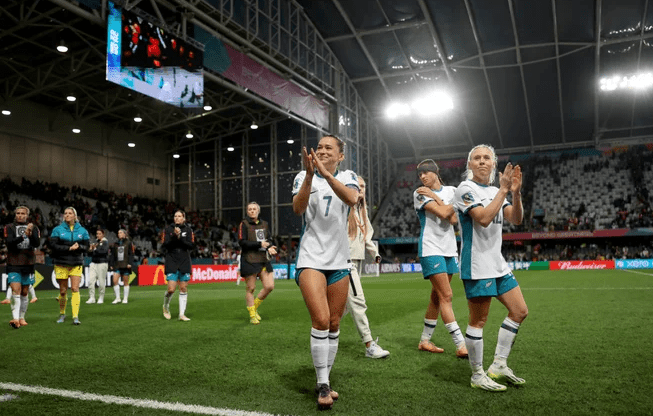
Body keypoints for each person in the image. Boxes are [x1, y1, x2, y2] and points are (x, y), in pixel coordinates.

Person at [292, 135, 359, 410]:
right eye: (319, 147)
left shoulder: (348, 176)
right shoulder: (302, 176)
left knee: (333, 323)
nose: (321, 151)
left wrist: (326, 174)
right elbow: (298, 209)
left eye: (328, 148)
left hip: (339, 261)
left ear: (340, 156)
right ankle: (322, 384)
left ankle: (326, 381)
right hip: (311, 259)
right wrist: (310, 176)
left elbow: (352, 198)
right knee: (320, 320)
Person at [453, 144, 527, 392]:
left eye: (487, 158)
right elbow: (483, 219)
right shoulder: (465, 189)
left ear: (494, 163)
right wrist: (504, 190)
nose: (482, 161)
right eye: (477, 158)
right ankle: (477, 375)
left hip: (497, 263)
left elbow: (516, 219)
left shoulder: (496, 191)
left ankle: (499, 365)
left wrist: (515, 193)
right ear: (469, 164)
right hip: (476, 264)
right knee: (479, 320)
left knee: (519, 311)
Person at [413, 159, 468, 358]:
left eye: (425, 172)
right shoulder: (420, 193)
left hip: (449, 250)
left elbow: (452, 219)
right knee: (446, 295)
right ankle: (461, 344)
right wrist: (447, 204)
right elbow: (445, 212)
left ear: (435, 172)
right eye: (419, 174)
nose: (422, 177)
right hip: (430, 248)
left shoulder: (451, 191)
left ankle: (424, 341)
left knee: (436, 297)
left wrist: (436, 197)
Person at [343, 176, 389, 358]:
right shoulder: (344, 208)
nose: (361, 189)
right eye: (358, 186)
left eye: (363, 186)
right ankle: (369, 344)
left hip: (357, 260)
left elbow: (366, 236)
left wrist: (375, 253)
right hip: (345, 261)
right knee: (357, 301)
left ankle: (325, 334)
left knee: (344, 307)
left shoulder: (361, 211)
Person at [238, 202, 277, 324]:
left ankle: (254, 307)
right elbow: (242, 242)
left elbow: (268, 239)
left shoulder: (264, 224)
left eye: (254, 209)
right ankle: (252, 315)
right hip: (249, 259)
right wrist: (259, 244)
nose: (252, 211)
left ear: (258, 211)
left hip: (263, 259)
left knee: (269, 286)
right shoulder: (243, 224)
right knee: (251, 288)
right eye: (250, 209)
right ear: (247, 211)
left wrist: (270, 247)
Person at [49, 207, 90, 325]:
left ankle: (75, 316)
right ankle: (62, 313)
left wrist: (79, 247)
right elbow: (53, 246)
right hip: (61, 263)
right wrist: (69, 248)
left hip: (76, 263)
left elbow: (87, 247)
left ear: (75, 216)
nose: (67, 215)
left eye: (70, 213)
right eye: (65, 213)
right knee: (63, 291)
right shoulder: (57, 230)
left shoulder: (83, 231)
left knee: (75, 289)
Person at [4, 206, 40, 328]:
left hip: (28, 263)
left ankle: (22, 317)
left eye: (23, 213)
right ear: (15, 215)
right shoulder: (9, 227)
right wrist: (24, 235)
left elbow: (36, 244)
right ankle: (15, 319)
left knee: (24, 292)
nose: (20, 215)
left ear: (27, 215)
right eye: (18, 213)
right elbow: (10, 244)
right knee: (16, 290)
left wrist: (30, 233)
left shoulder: (34, 227)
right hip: (13, 263)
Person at [161, 210, 194, 321]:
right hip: (172, 260)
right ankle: (166, 306)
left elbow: (191, 245)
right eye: (175, 216)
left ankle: (181, 314)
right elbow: (165, 245)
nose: (177, 218)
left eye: (179, 216)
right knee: (171, 289)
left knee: (183, 288)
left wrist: (180, 237)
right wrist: (174, 236)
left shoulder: (188, 230)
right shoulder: (168, 230)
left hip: (184, 260)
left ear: (184, 218)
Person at [109, 229, 134, 304]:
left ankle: (125, 298)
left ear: (124, 234)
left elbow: (131, 254)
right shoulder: (116, 243)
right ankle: (118, 298)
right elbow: (112, 254)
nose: (119, 234)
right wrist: (111, 264)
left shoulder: (128, 243)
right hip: (117, 264)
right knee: (115, 281)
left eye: (120, 232)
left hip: (125, 264)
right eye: (118, 233)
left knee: (125, 282)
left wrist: (130, 263)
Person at [86, 229, 109, 304]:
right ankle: (92, 297)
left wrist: (95, 249)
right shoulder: (95, 242)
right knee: (90, 281)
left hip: (102, 263)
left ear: (103, 234)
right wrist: (90, 249)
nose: (97, 235)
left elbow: (104, 252)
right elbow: (90, 254)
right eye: (97, 234)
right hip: (93, 263)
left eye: (99, 234)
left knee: (101, 281)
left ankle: (101, 297)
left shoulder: (105, 242)